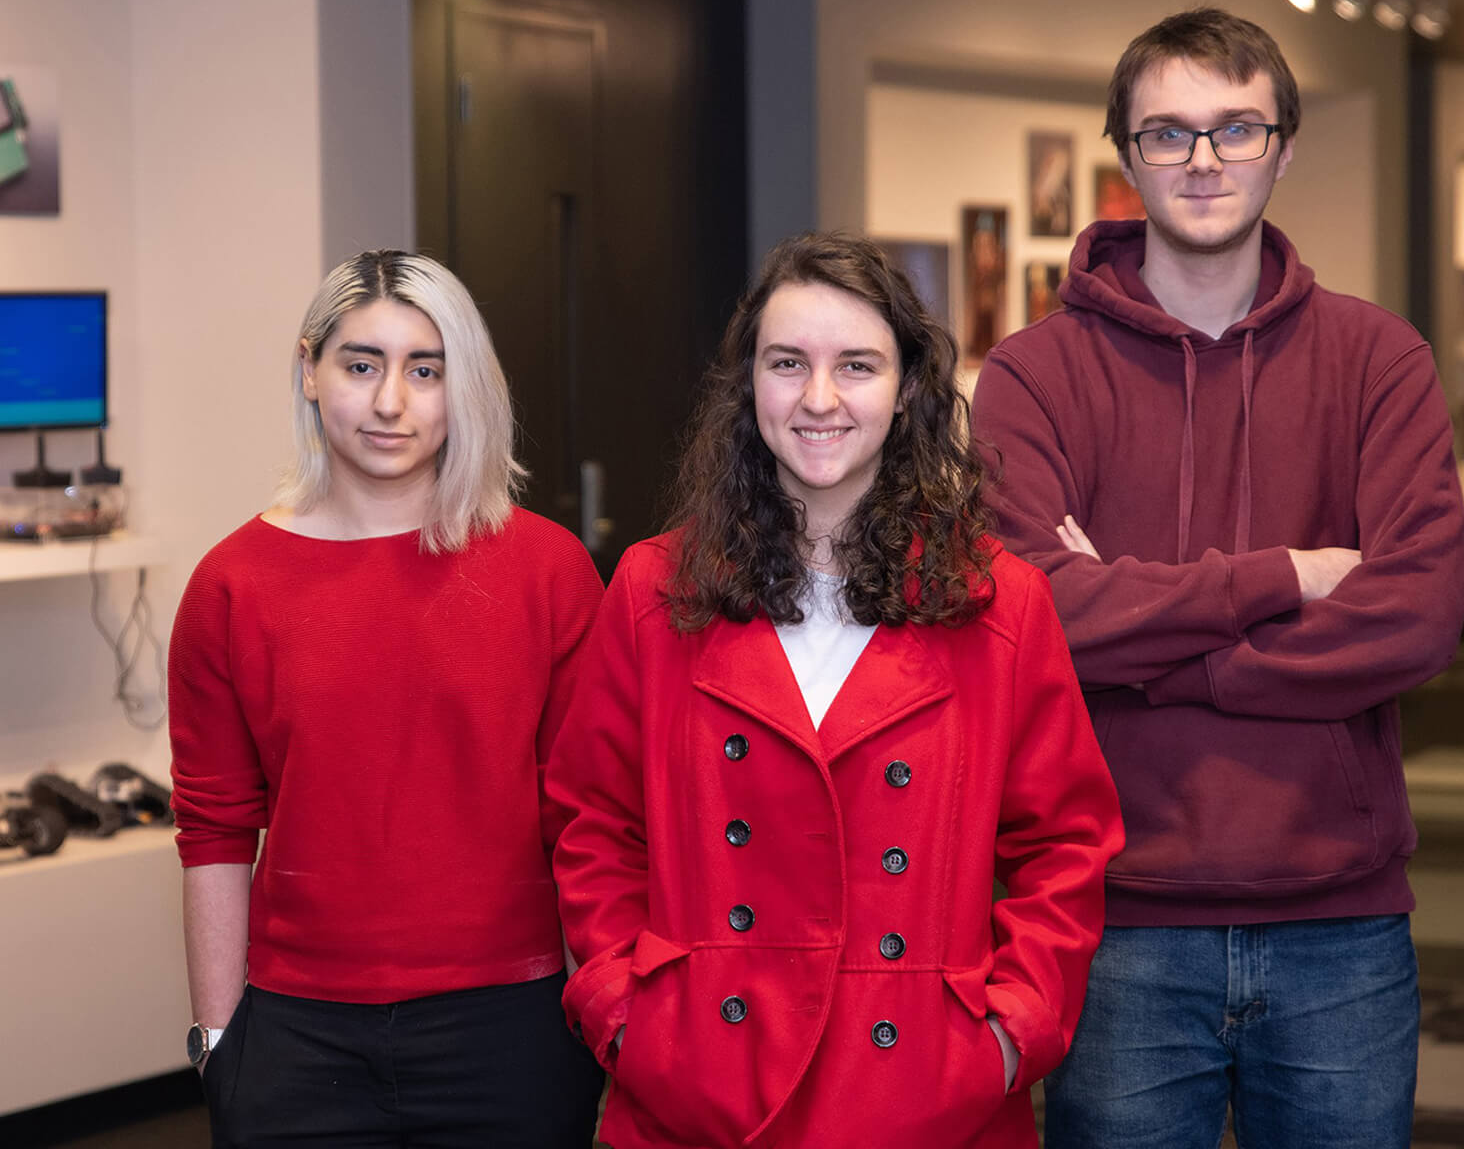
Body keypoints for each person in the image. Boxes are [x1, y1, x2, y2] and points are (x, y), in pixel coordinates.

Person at [972, 8, 1464, 1149]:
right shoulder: (1031, 376)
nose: (1203, 161)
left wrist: (1143, 641)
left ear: (1283, 148)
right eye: (1168, 133)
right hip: (1111, 917)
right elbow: (1031, 611)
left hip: (1339, 924)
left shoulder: (1376, 359)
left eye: (1235, 128)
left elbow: (1415, 618)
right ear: (1124, 154)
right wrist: (1287, 575)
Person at [546, 232, 1124, 1148]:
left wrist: (1010, 1034)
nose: (820, 399)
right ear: (749, 388)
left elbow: (1066, 845)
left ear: (908, 392)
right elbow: (593, 826)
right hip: (698, 1094)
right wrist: (625, 1013)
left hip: (930, 1100)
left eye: (857, 365)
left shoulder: (1001, 604)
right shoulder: (656, 593)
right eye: (788, 364)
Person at [168, 249, 606, 1147]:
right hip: (297, 1034)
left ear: (464, 387)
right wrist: (220, 1041)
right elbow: (214, 829)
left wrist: (592, 1018)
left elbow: (588, 818)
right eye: (361, 365)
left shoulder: (548, 571)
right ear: (308, 370)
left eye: (425, 369)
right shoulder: (230, 587)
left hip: (512, 1025)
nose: (389, 401)